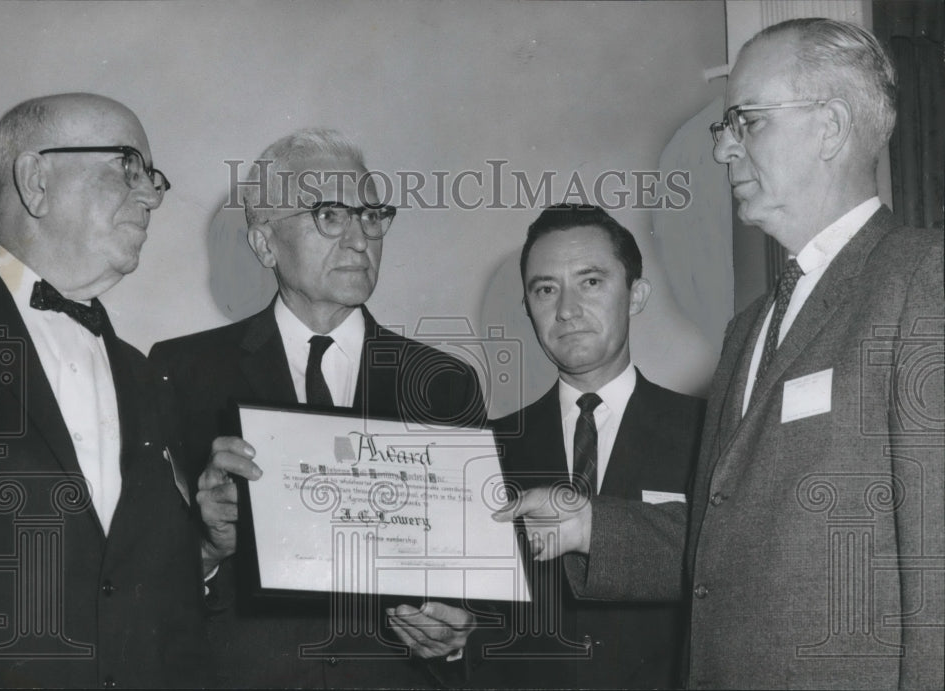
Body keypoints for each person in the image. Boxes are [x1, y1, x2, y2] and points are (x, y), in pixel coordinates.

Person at [496, 18, 944, 689]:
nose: (724, 150)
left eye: (747, 121)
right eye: (725, 126)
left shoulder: (920, 283)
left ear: (829, 126)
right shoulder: (749, 328)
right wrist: (588, 522)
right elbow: (726, 537)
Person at [148, 128, 486, 688]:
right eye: (331, 215)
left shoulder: (445, 384)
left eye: (372, 215)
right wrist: (206, 547)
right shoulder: (182, 371)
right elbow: (140, 576)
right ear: (264, 244)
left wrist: (455, 634)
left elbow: (478, 583)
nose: (360, 240)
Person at [0, 93, 209, 688]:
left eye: (152, 179)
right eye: (126, 166)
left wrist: (207, 552)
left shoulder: (147, 377)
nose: (149, 196)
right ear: (36, 181)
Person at [466, 204, 702, 689]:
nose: (567, 309)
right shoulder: (485, 449)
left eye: (591, 282)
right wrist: (450, 636)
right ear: (527, 308)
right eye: (546, 289)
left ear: (636, 295)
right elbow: (475, 622)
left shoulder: (710, 431)